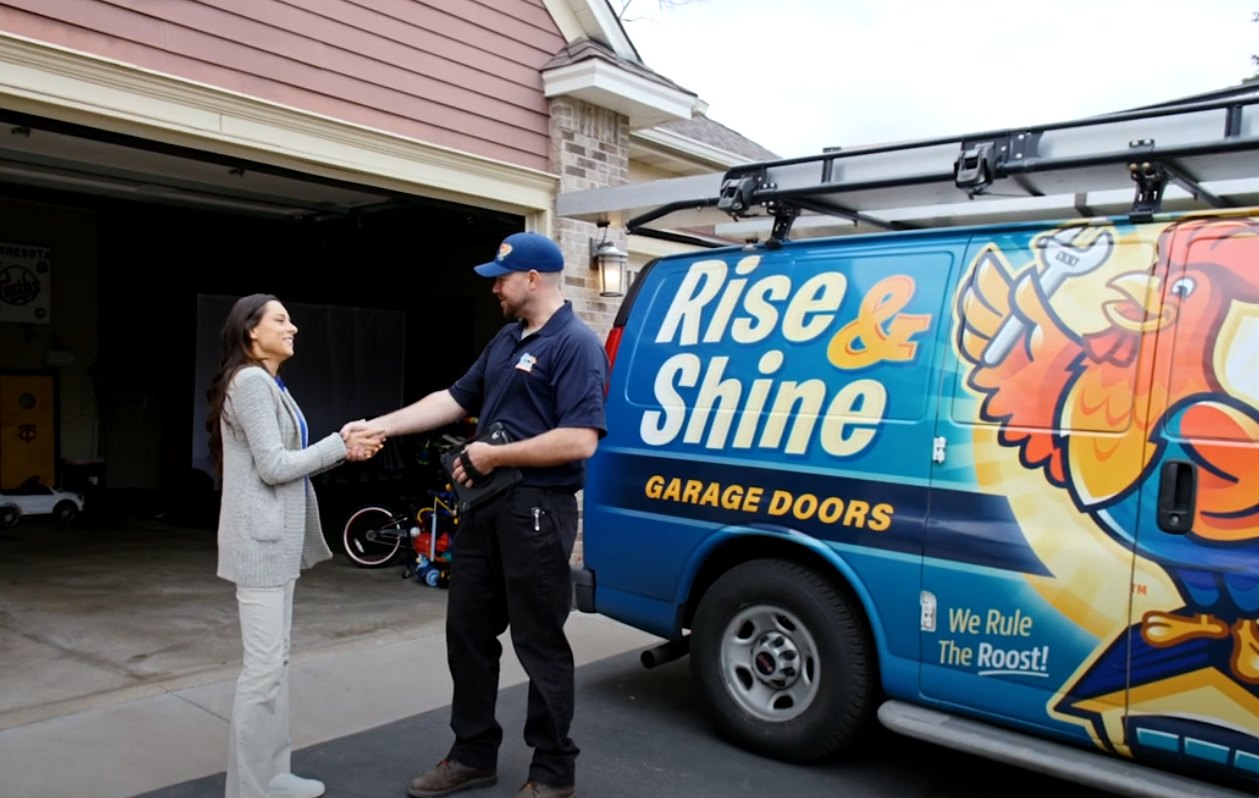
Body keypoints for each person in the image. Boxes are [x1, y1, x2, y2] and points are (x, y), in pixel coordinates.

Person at [344, 231, 608, 798]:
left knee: (540, 644)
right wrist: (381, 425)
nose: (494, 286)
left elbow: (581, 440)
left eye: (503, 277)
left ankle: (553, 771)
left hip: (537, 512)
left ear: (533, 279)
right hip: (486, 509)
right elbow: (455, 398)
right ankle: (472, 755)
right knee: (466, 632)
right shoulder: (508, 339)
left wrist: (493, 454)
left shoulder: (574, 344)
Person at [206, 293, 383, 798]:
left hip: (274, 544)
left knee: (274, 664)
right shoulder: (252, 382)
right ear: (251, 332)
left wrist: (339, 442)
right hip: (259, 547)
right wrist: (340, 446)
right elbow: (275, 466)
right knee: (262, 672)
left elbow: (285, 460)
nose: (294, 328)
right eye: (281, 320)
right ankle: (252, 788)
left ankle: (274, 774)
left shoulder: (269, 383)